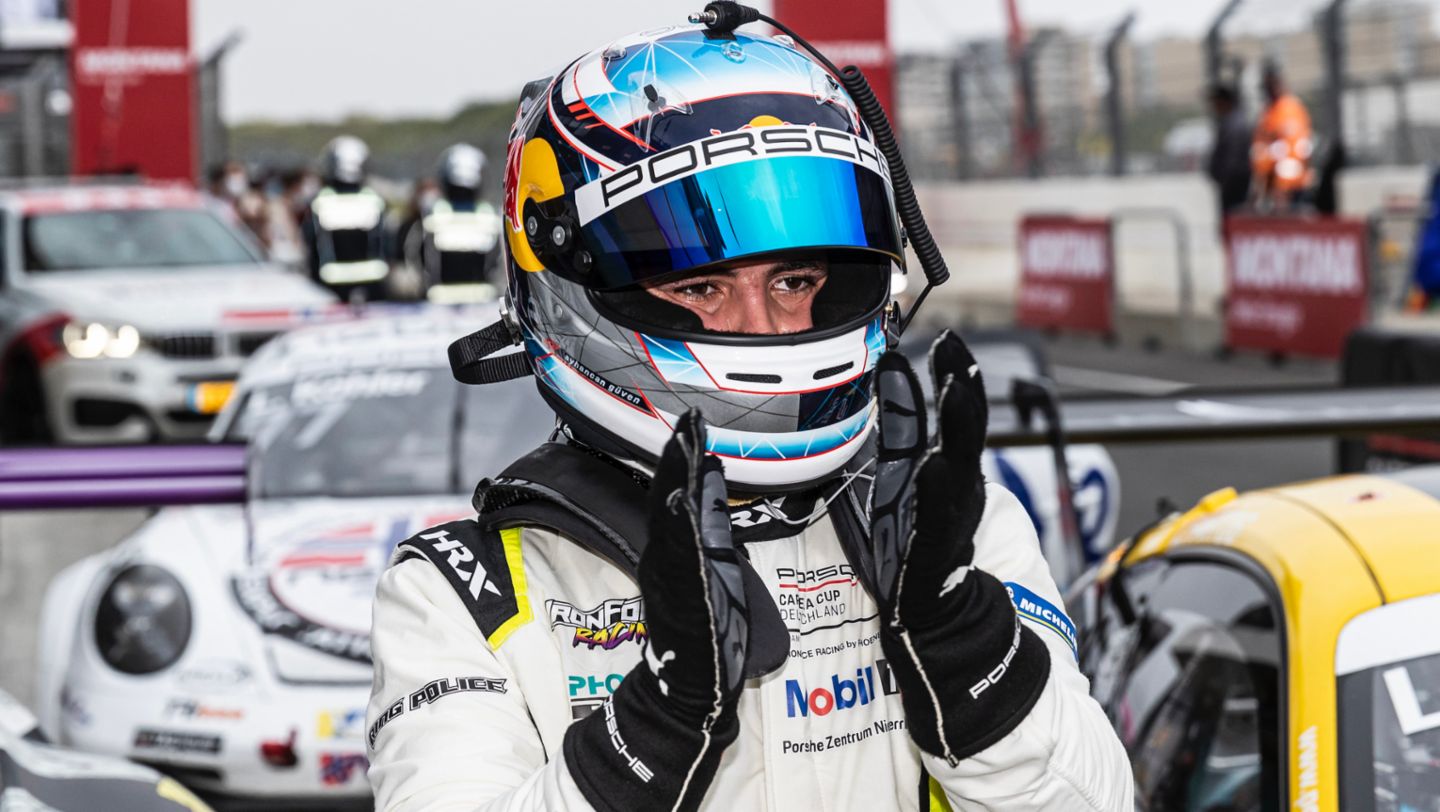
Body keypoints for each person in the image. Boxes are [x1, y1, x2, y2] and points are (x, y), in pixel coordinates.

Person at [366, 23, 1133, 812]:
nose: (764, 327)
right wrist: (650, 734)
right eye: (700, 288)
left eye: (795, 281)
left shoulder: (951, 535)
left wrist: (972, 655)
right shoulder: (462, 594)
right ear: (574, 292)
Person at [300, 135, 391, 300]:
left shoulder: (320, 202)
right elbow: (386, 243)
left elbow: (309, 240)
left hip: (330, 288)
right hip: (372, 286)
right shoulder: (375, 200)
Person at [409, 144, 503, 302]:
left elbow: (416, 258)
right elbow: (499, 263)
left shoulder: (432, 214)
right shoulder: (491, 216)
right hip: (484, 303)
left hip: (436, 304)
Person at [1250, 60, 1313, 212]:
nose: (1268, 90)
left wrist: (1283, 187)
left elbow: (1293, 152)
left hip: (1290, 190)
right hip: (1270, 185)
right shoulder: (1270, 110)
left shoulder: (1290, 109)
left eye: (1271, 85)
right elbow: (1264, 147)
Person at [1206, 83, 1251, 216]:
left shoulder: (1234, 125)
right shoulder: (1230, 122)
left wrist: (1225, 181)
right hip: (1231, 185)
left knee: (1233, 218)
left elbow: (1232, 161)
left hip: (1234, 187)